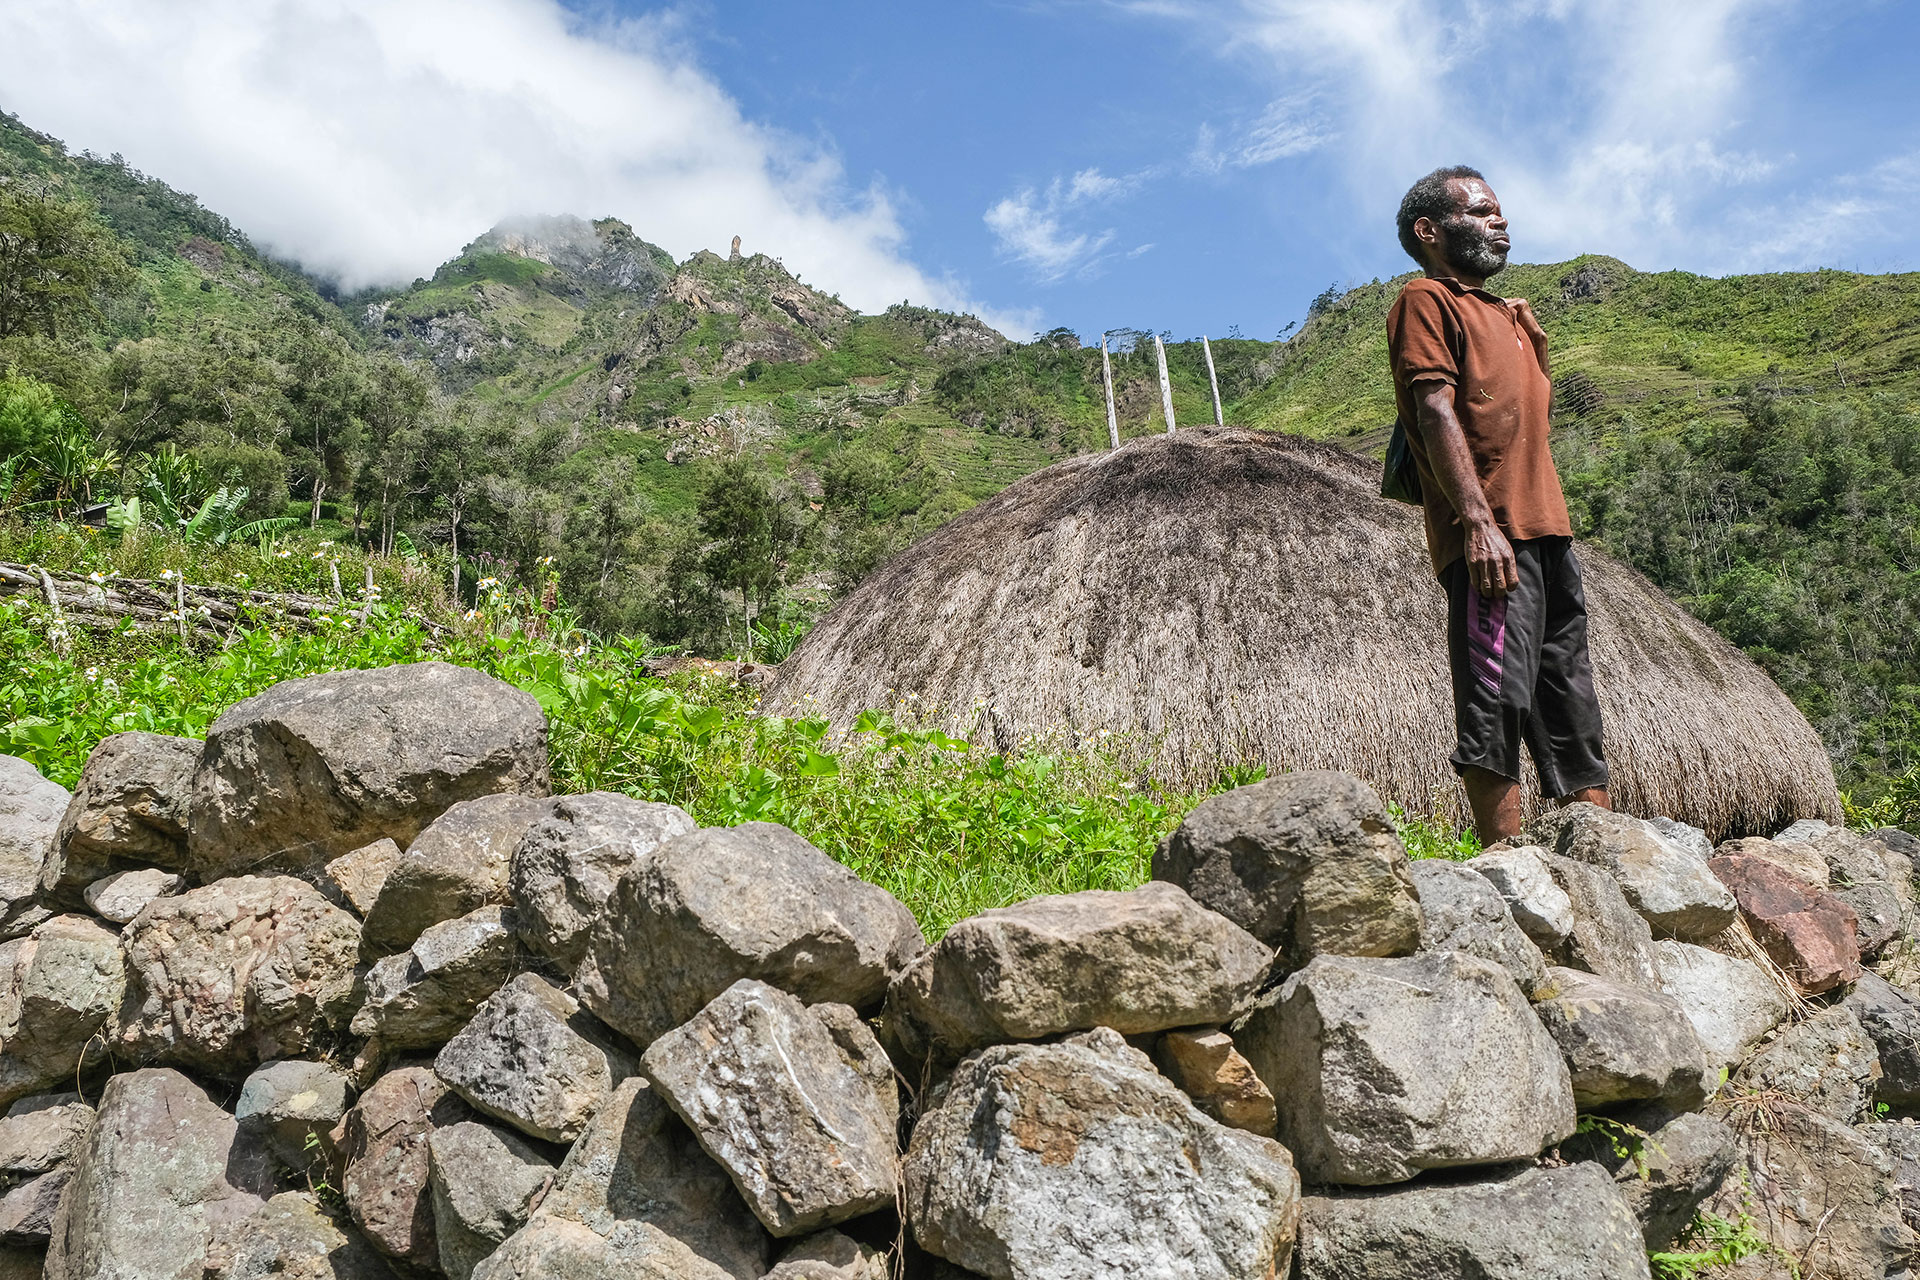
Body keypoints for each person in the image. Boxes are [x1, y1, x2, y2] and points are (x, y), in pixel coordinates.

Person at [1386, 165, 1610, 843]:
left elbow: (1525, 421)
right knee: (1495, 700)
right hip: (1496, 536)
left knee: (1569, 698)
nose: (1500, 223)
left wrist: (1534, 346)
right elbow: (1434, 409)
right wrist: (1478, 522)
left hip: (1549, 534)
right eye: (1482, 213)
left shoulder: (1508, 319)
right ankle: (1506, 863)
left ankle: (1604, 858)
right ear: (1430, 231)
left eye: (1499, 212)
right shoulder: (1426, 300)